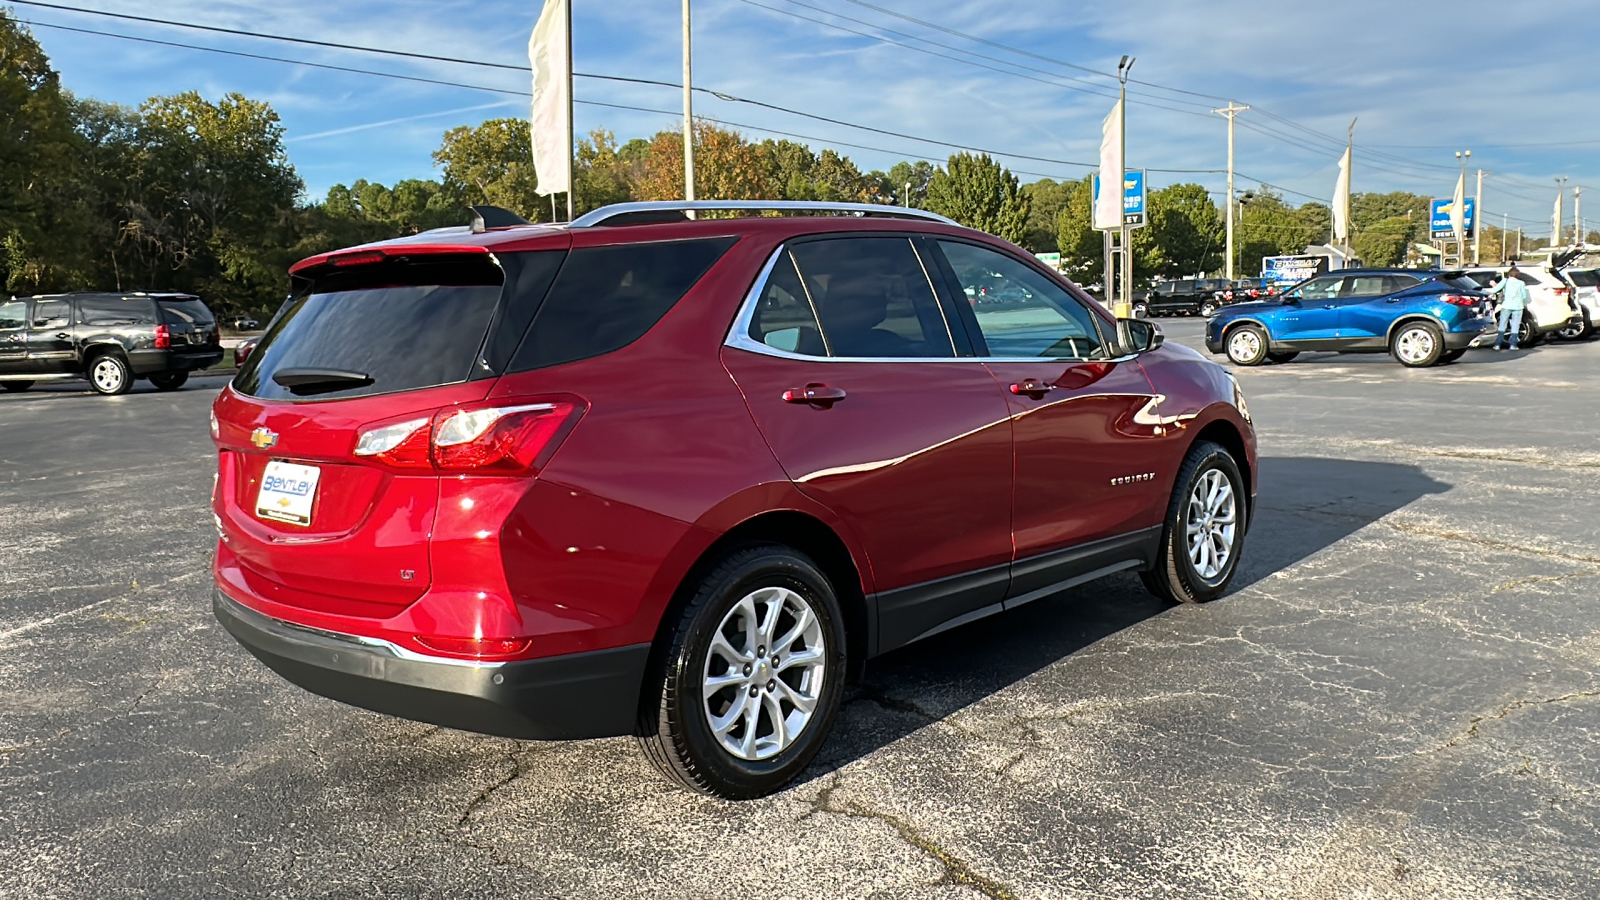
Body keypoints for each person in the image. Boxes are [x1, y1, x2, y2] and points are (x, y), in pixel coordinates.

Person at [1487, 265, 1530, 350]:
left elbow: (1495, 290)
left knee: (1502, 324)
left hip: (1507, 305)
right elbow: (1524, 296)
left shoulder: (1505, 281)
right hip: (1518, 306)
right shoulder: (1521, 283)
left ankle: (1497, 344)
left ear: (1509, 274)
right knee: (1515, 326)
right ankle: (1513, 345)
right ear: (1518, 275)